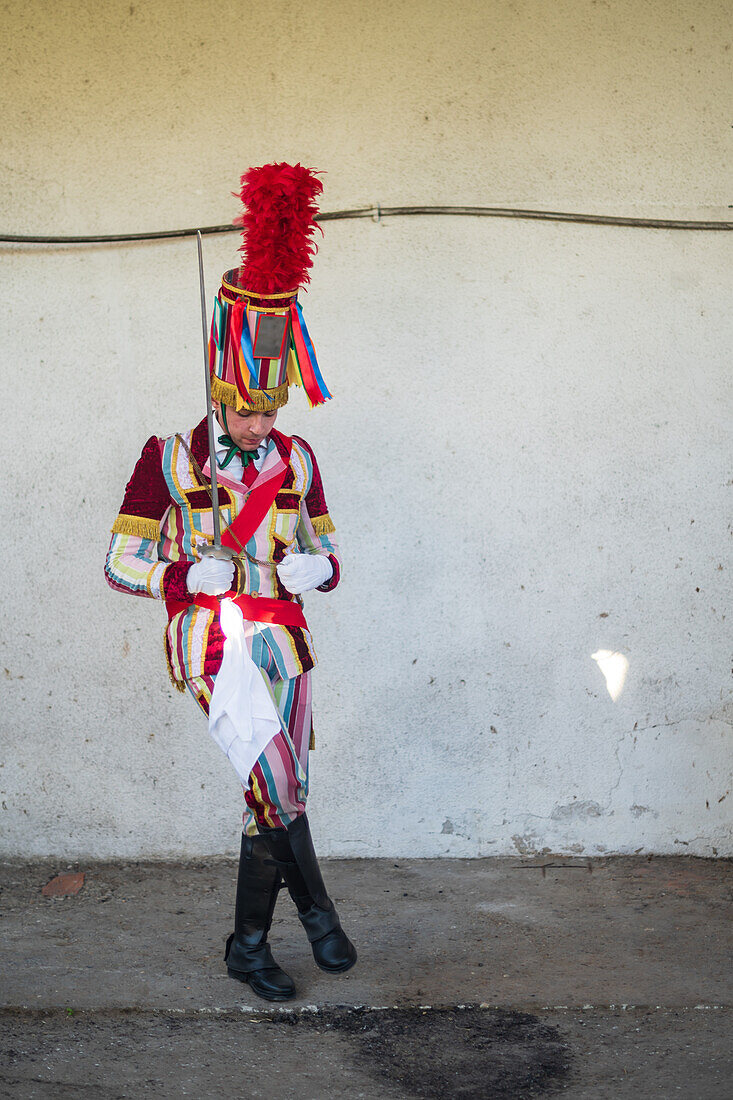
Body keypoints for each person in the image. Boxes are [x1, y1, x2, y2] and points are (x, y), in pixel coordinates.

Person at [104, 163, 356, 1002]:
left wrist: (321, 567)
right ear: (218, 392)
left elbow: (326, 548)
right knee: (275, 778)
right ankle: (319, 913)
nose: (259, 425)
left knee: (273, 792)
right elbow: (119, 563)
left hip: (285, 635)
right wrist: (180, 569)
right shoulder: (167, 459)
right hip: (211, 637)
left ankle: (248, 947)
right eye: (246, 412)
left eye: (271, 412)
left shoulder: (298, 458)